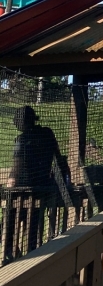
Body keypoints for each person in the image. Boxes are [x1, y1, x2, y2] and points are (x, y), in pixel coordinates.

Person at [6, 105, 70, 254]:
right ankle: (32, 249)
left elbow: (17, 167)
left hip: (24, 189)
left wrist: (9, 185)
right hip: (43, 187)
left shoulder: (21, 140)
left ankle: (10, 249)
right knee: (33, 224)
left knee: (10, 217)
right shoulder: (47, 134)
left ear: (21, 122)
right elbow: (58, 157)